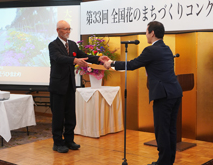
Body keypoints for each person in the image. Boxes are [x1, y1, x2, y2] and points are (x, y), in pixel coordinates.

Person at [104, 21, 183, 165]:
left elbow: (132, 64)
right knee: (171, 129)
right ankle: (168, 161)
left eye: (146, 31)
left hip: (163, 95)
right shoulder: (166, 48)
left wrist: (112, 63)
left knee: (162, 130)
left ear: (152, 33)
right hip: (176, 92)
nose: (146, 34)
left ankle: (163, 162)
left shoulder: (151, 50)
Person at [48, 20, 109, 153]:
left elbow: (84, 56)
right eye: (65, 29)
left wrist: (98, 59)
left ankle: (69, 140)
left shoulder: (73, 45)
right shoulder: (53, 45)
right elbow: (58, 58)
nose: (68, 31)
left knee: (70, 115)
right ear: (58, 30)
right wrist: (75, 61)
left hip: (70, 85)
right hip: (58, 86)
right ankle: (58, 143)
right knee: (58, 116)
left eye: (69, 29)